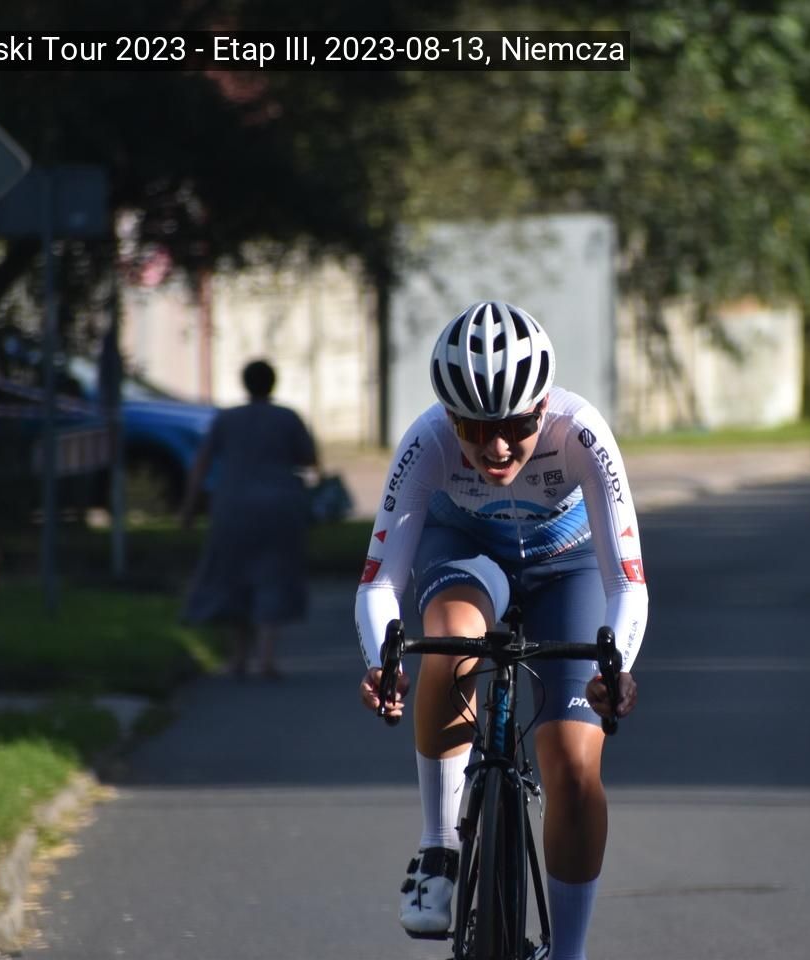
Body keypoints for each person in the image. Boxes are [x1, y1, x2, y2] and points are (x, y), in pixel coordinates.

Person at [355, 301, 646, 960]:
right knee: (452, 642)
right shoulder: (427, 441)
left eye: (517, 425)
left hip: (567, 568)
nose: (496, 448)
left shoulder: (581, 432)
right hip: (467, 553)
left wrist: (616, 668)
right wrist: (383, 661)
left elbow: (627, 583)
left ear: (543, 407)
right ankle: (439, 848)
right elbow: (377, 583)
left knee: (575, 769)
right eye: (475, 427)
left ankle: (567, 952)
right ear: (448, 417)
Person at [180, 359, 319, 679]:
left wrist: (188, 508)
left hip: (232, 508)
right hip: (280, 507)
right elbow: (309, 459)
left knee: (233, 578)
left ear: (244, 383)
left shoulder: (226, 419)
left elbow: (201, 464)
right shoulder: (287, 417)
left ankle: (239, 658)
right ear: (273, 383)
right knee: (275, 577)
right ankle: (266, 657)